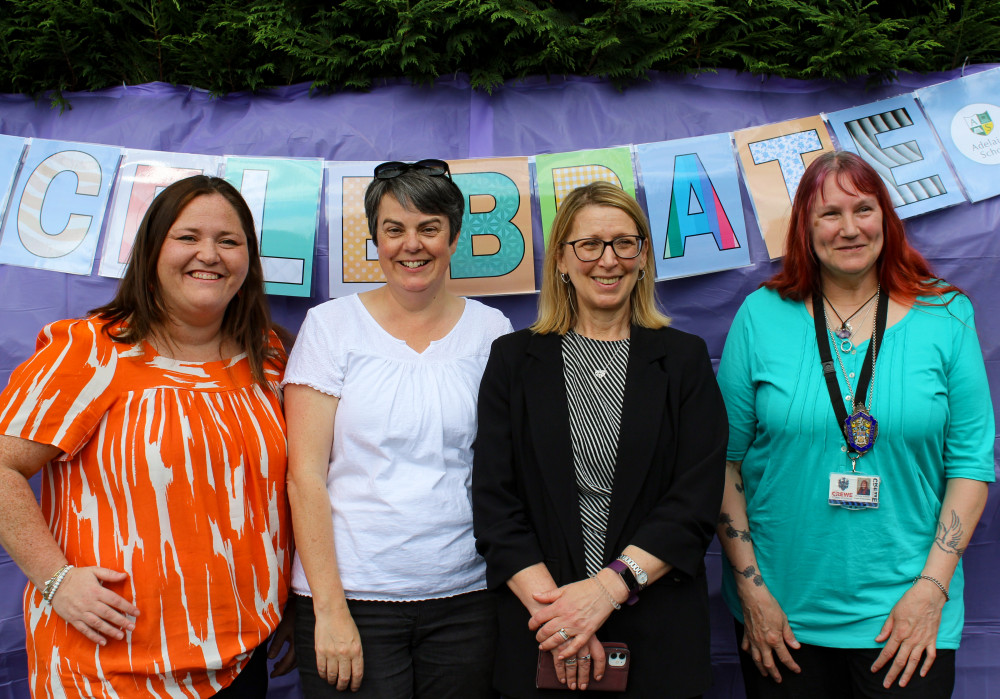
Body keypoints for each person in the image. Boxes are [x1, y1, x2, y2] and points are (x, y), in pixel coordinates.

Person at [0, 175, 293, 697]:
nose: (210, 254)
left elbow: (288, 492)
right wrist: (55, 579)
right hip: (107, 670)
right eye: (188, 237)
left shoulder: (268, 358)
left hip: (240, 661)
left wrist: (291, 598)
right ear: (151, 250)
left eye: (229, 241)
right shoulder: (91, 350)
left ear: (249, 260)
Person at [716, 151, 994, 698]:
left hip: (906, 621)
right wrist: (752, 590)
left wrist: (930, 591)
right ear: (805, 226)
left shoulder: (948, 314)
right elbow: (723, 463)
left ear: (886, 219)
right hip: (781, 619)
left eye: (863, 209)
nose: (849, 228)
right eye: (829, 214)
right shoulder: (760, 315)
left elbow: (969, 466)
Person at [472, 181, 728, 697]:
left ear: (643, 256)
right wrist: (564, 618)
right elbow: (496, 505)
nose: (607, 260)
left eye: (623, 243)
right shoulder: (512, 361)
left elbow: (694, 503)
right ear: (562, 260)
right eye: (589, 244)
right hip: (541, 634)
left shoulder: (684, 361)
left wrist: (605, 593)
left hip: (659, 637)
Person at [284, 158, 512, 697]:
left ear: (452, 238)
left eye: (429, 228)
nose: (412, 244)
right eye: (395, 230)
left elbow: (502, 469)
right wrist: (330, 611)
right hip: (354, 598)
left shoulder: (491, 330)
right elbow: (305, 477)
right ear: (375, 240)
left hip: (467, 597)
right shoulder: (330, 327)